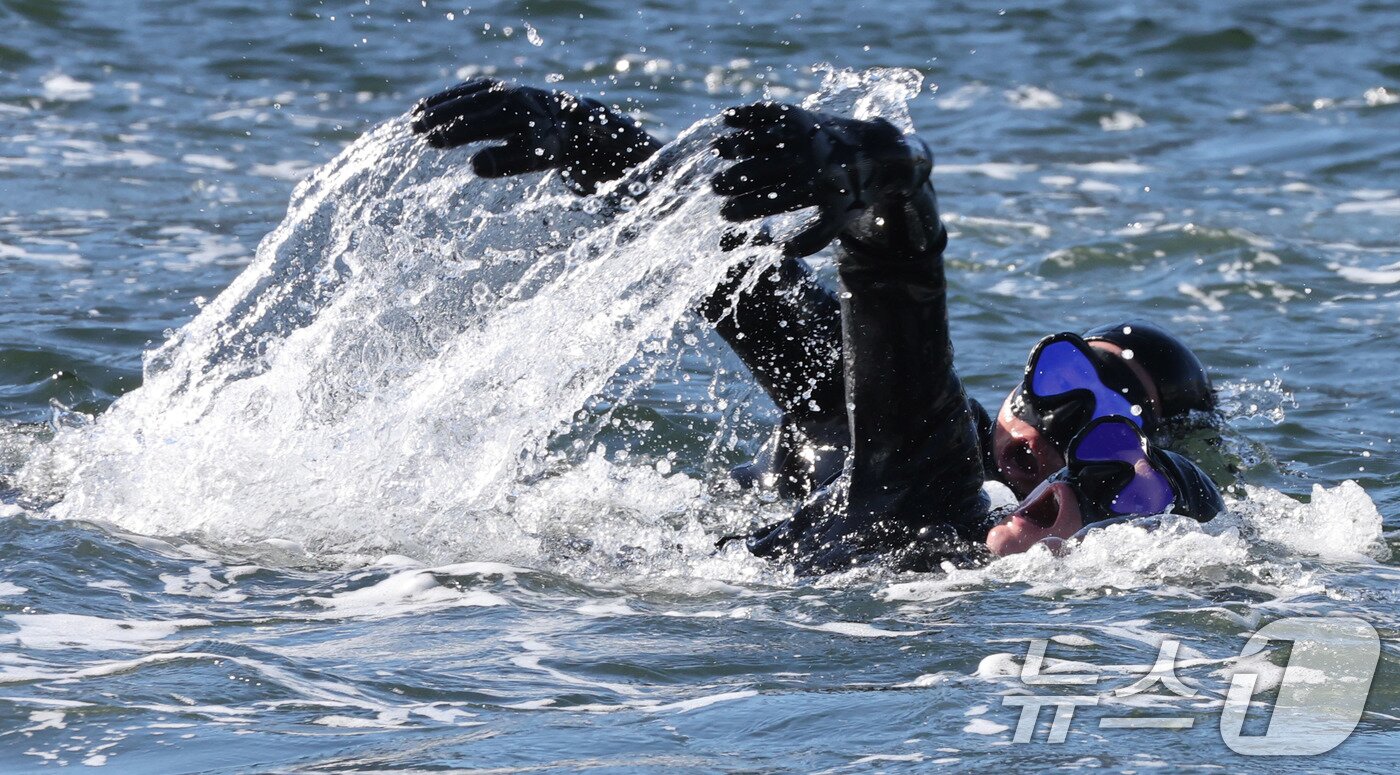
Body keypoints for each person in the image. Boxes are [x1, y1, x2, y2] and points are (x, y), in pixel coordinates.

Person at [410, 79, 1225, 572]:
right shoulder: (920, 442)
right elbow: (754, 282)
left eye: (1107, 412)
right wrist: (595, 141)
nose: (1055, 419)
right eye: (1060, 377)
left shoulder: (1011, 527)